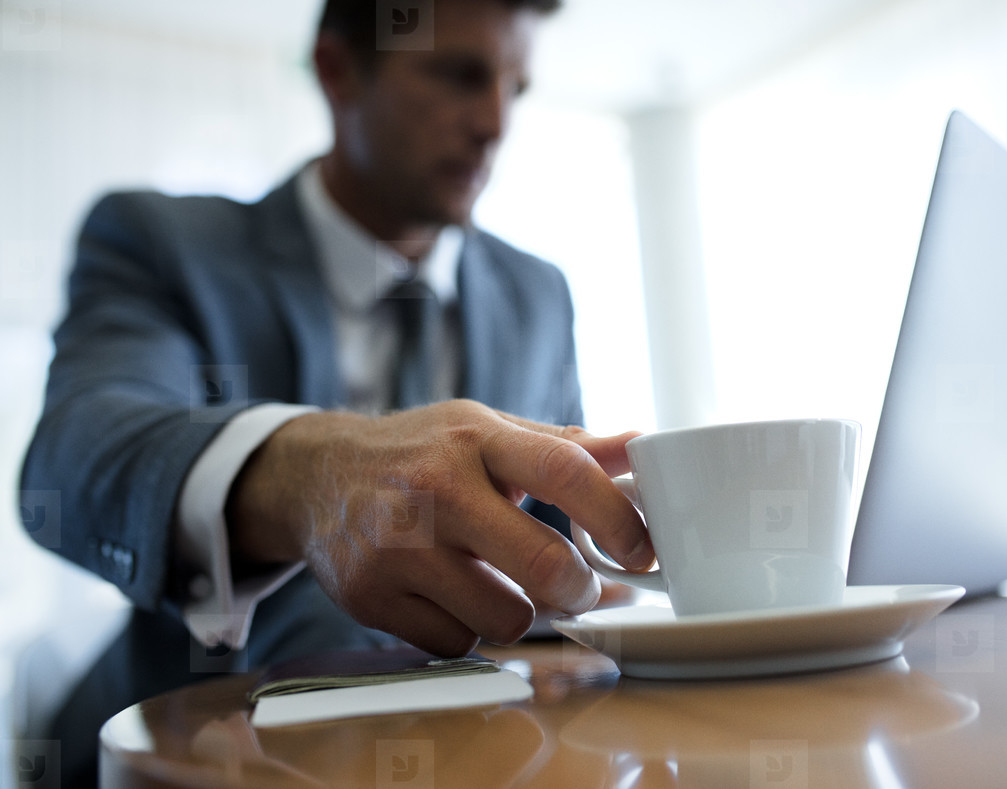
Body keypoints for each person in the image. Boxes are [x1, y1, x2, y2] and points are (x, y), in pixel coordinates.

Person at [18, 0, 653, 784]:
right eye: (459, 74)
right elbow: (73, 454)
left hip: (484, 749)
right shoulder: (162, 243)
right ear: (338, 70)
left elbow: (560, 550)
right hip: (191, 748)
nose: (494, 123)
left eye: (515, 89)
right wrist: (312, 474)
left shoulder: (538, 294)